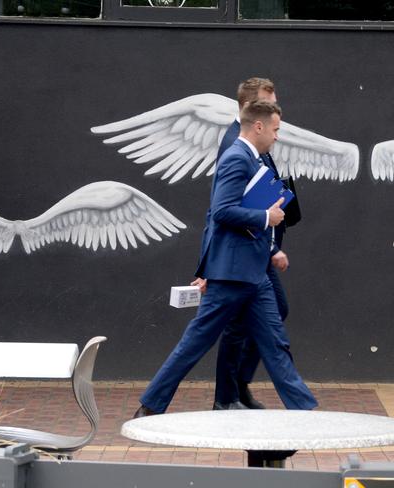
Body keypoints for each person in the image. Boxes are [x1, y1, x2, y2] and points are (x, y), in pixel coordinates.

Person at [133, 100, 317, 417]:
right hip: (230, 275)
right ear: (258, 126)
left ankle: (304, 411)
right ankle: (150, 405)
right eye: (274, 130)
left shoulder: (253, 159)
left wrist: (271, 248)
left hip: (255, 275)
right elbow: (221, 212)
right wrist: (266, 217)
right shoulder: (236, 158)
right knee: (196, 342)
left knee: (275, 344)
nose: (276, 137)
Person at [210, 78, 297, 410]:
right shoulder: (236, 144)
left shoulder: (252, 139)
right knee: (234, 324)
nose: (275, 116)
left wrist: (273, 246)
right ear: (251, 110)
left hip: (261, 246)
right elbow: (224, 208)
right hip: (243, 252)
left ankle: (237, 387)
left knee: (271, 311)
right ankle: (227, 396)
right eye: (268, 104)